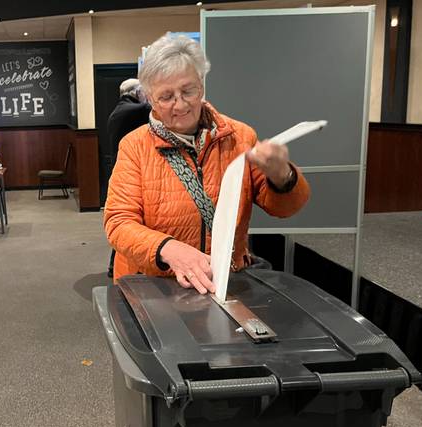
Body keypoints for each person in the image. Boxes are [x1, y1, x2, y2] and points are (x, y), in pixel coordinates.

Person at [104, 33, 311, 294]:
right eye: (166, 97)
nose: (179, 105)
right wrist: (168, 249)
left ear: (201, 85)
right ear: (150, 99)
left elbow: (284, 208)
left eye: (187, 91)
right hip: (155, 284)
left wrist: (283, 177)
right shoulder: (135, 147)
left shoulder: (240, 137)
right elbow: (119, 222)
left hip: (223, 282)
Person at [106, 78, 152, 277]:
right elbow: (152, 108)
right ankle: (117, 265)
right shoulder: (136, 110)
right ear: (136, 92)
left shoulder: (118, 110)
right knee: (128, 222)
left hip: (121, 168)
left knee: (126, 222)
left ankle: (113, 264)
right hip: (132, 172)